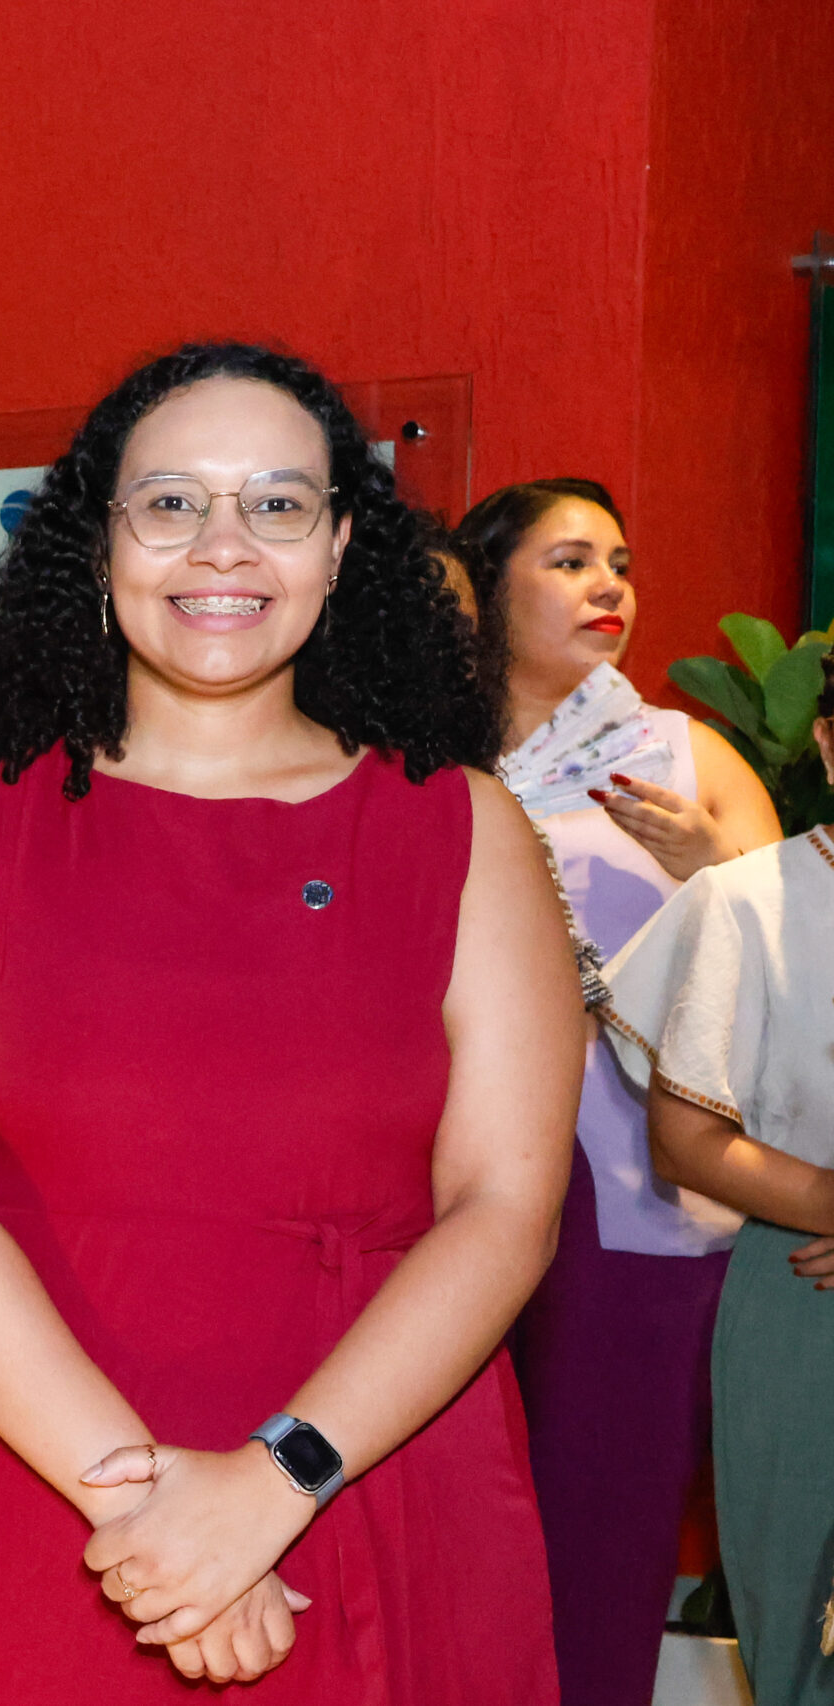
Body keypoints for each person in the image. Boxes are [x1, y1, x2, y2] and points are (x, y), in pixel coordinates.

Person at [0, 342, 574, 1700]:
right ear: (100, 539)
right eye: (170, 502)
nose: (221, 544)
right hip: (37, 1478)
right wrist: (151, 1515)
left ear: (340, 544)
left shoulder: (463, 829)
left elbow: (505, 1205)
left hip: (374, 1464)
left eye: (277, 503)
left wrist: (271, 1483)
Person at [456, 477, 780, 1706]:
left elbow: (804, 972)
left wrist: (711, 862)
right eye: (569, 560)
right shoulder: (420, 758)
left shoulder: (686, 754)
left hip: (645, 1187)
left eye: (621, 563)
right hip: (445, 1182)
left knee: (604, 1515)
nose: (609, 587)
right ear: (484, 587)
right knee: (446, 1514)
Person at [599, 655, 834, 1703]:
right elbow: (686, 1140)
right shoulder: (749, 901)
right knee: (799, 1634)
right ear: (826, 743)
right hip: (801, 1283)